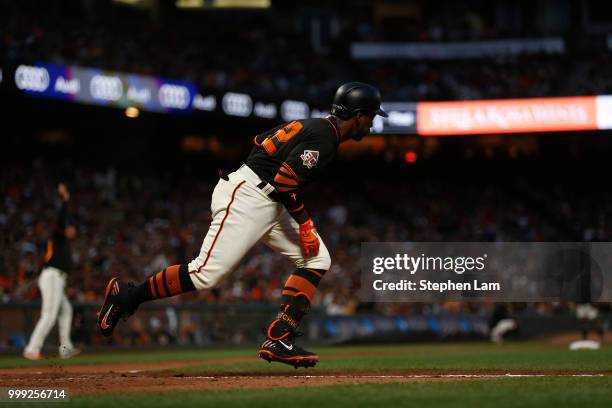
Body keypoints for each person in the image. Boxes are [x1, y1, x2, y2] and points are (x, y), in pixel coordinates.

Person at [97, 82, 388, 367]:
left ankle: (279, 337)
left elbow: (260, 140)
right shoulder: (325, 137)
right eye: (372, 116)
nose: (372, 123)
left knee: (318, 258)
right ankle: (127, 295)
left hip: (266, 198)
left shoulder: (315, 126)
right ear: (359, 114)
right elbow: (285, 181)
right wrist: (305, 224)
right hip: (251, 196)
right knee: (205, 275)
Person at [23, 183, 81, 360]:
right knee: (49, 314)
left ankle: (65, 349)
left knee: (66, 310)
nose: (72, 229)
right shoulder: (57, 235)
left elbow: (65, 221)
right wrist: (65, 199)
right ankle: (32, 349)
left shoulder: (61, 240)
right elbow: (61, 218)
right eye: (69, 226)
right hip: (52, 276)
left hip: (57, 277)